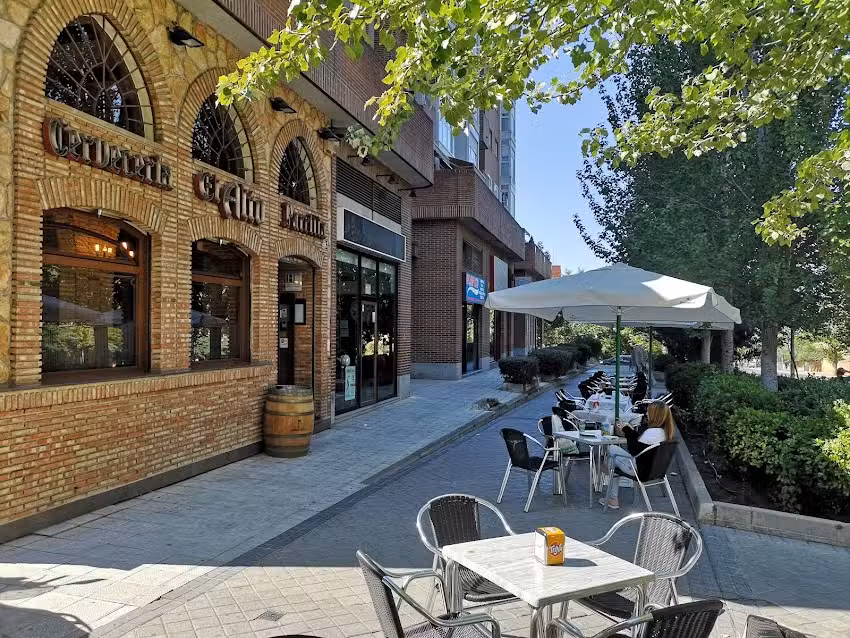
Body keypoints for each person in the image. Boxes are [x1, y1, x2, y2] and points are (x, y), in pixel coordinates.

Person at [599, 401, 675, 509]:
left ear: (655, 415)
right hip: (656, 470)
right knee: (613, 454)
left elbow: (633, 450)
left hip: (639, 469)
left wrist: (626, 429)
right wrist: (629, 429)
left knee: (612, 453)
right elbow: (640, 445)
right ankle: (612, 497)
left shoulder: (651, 432)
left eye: (649, 412)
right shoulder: (665, 432)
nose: (646, 414)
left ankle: (612, 498)